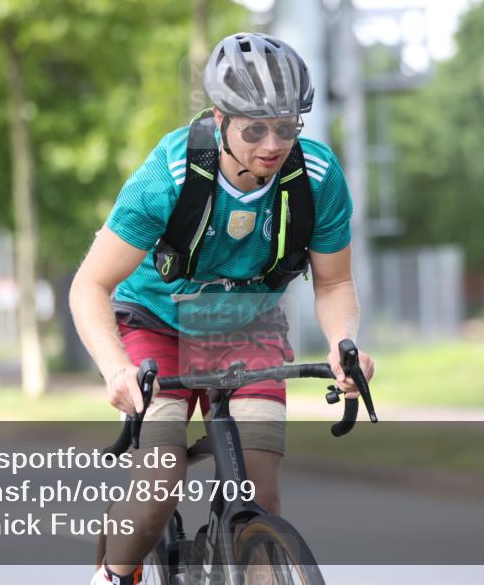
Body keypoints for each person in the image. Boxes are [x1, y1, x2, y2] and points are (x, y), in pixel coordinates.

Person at [70, 32, 374, 585]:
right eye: (254, 128)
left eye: (285, 127)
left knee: (259, 486)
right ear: (220, 116)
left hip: (245, 321)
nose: (272, 143)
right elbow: (89, 285)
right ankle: (111, 577)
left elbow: (334, 283)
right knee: (161, 477)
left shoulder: (318, 177)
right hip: (154, 321)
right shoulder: (171, 174)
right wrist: (116, 369)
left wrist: (341, 345)